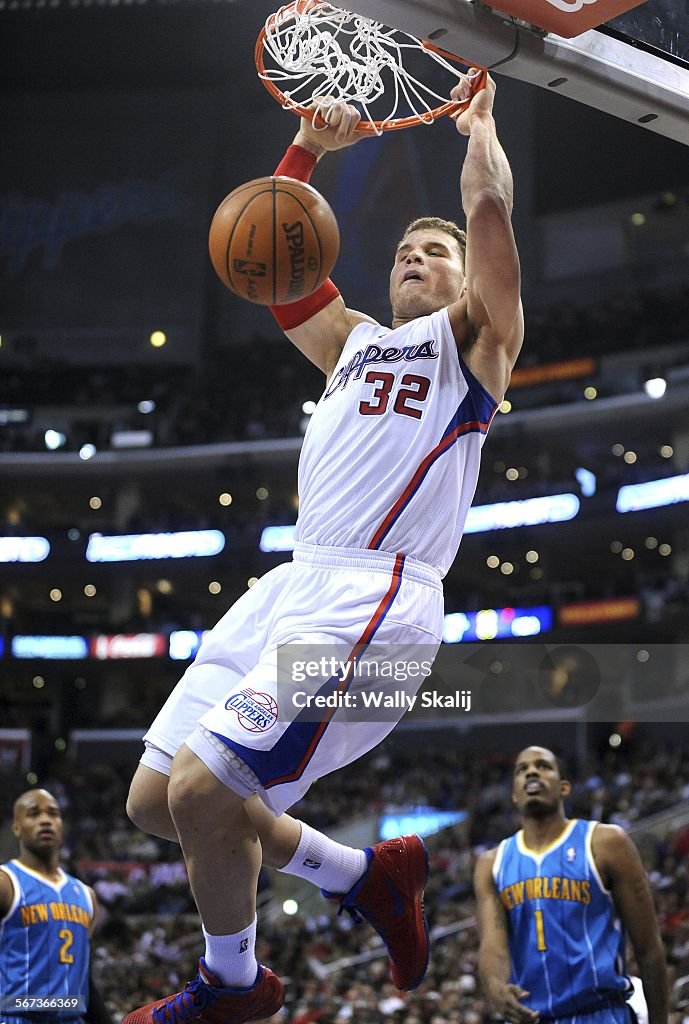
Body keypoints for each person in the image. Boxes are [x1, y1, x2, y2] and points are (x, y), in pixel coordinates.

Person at [124, 70, 523, 1024]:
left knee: (200, 792)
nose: (415, 259)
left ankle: (233, 988)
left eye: (435, 252)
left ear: (466, 280)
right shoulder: (351, 343)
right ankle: (366, 874)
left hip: (374, 602)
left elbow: (492, 221)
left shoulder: (473, 347)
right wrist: (306, 151)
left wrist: (478, 137)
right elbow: (273, 259)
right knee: (152, 797)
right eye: (404, 250)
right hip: (291, 584)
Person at [473, 746, 669, 1024]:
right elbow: (493, 947)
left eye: (543, 766)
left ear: (564, 787)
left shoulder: (607, 843)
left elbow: (649, 948)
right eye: (522, 769)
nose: (531, 771)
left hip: (600, 1014)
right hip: (529, 1017)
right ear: (515, 794)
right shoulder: (491, 864)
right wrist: (495, 987)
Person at [0, 790, 107, 1024]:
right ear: (16, 827)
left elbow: (85, 979)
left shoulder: (86, 895)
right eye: (34, 813)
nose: (45, 820)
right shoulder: (6, 882)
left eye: (53, 813)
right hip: (15, 1016)